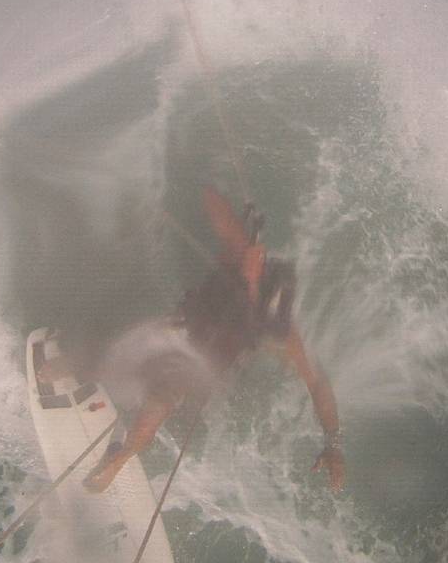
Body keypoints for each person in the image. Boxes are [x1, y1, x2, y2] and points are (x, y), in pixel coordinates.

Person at [81, 186, 345, 494]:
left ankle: (119, 454)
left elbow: (318, 383)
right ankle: (116, 438)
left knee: (152, 400)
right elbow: (211, 200)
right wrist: (242, 221)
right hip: (180, 339)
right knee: (137, 378)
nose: (254, 283)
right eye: (256, 275)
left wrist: (333, 443)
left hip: (189, 358)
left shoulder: (275, 322)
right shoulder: (246, 266)